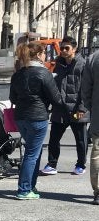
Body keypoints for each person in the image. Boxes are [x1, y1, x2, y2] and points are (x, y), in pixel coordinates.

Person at [9, 42, 63, 200]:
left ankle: (30, 185)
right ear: (39, 55)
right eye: (44, 53)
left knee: (35, 150)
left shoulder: (18, 74)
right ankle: (24, 189)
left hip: (20, 117)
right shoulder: (43, 73)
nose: (46, 56)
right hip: (38, 116)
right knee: (32, 153)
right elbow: (56, 98)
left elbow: (12, 98)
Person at [40, 36, 88, 176]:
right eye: (62, 48)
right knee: (54, 138)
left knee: (80, 139)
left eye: (67, 48)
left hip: (76, 109)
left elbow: (86, 89)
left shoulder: (83, 65)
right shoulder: (58, 64)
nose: (63, 50)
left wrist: (82, 109)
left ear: (74, 49)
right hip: (60, 109)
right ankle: (52, 164)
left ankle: (80, 164)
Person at [81, 49, 99, 205]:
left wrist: (91, 107)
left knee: (97, 153)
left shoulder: (93, 58)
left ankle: (98, 192)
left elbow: (85, 89)